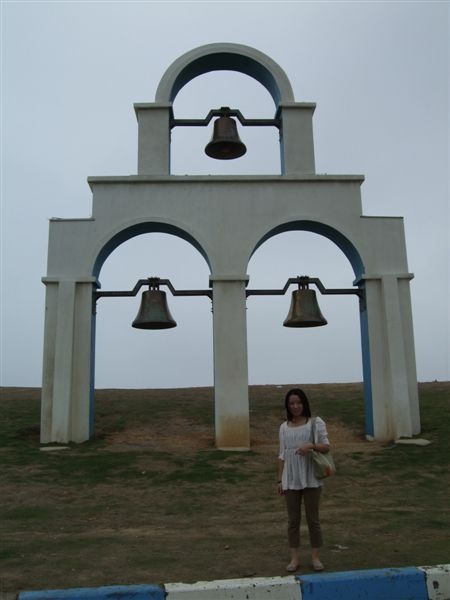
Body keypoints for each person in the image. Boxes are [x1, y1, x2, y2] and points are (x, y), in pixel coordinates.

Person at [277, 387, 330, 572]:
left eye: (298, 402)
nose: (295, 406)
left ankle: (316, 558)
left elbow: (326, 447)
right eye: (291, 403)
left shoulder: (315, 423)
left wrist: (311, 445)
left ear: (304, 403)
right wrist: (279, 480)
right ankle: (294, 559)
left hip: (311, 478)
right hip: (290, 479)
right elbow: (282, 455)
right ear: (287, 405)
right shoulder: (283, 427)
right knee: (293, 520)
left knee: (313, 519)